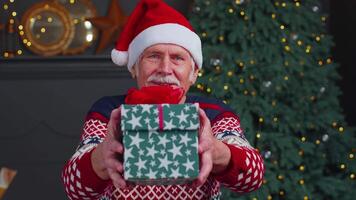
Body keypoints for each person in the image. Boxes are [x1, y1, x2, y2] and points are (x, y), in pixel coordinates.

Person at [61, 0, 264, 199]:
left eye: (177, 58)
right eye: (154, 56)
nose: (165, 69)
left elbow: (252, 178)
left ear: (194, 73)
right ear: (134, 68)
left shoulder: (213, 113)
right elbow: (74, 188)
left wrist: (217, 150)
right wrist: (100, 157)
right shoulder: (109, 112)